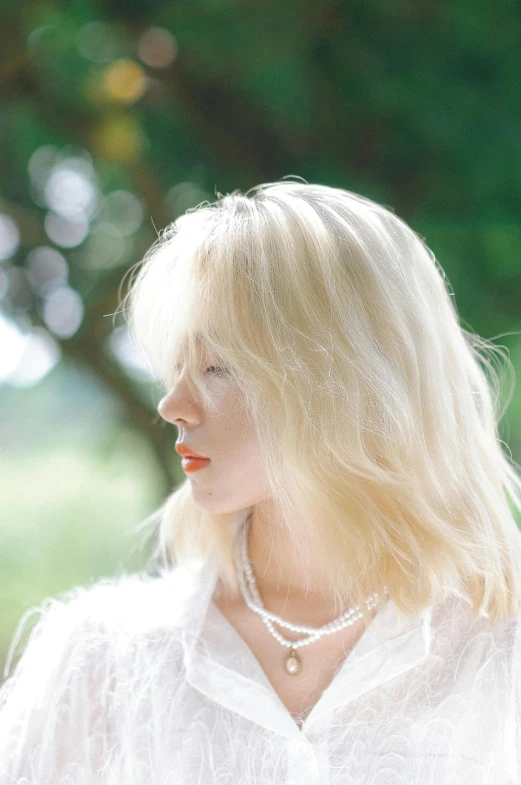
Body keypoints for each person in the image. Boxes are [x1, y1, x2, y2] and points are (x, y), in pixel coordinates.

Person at [1, 177, 521, 784]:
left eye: (218, 366)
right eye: (177, 365)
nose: (173, 403)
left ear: (349, 381)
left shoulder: (500, 653)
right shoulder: (97, 661)